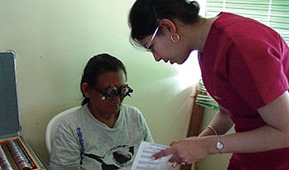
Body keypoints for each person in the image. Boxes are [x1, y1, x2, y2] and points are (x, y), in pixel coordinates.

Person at [128, 0, 289, 169]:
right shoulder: (206, 50)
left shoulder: (239, 46)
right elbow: (226, 114)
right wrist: (195, 144)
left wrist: (207, 146)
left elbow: (285, 132)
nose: (157, 57)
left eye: (152, 47)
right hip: (250, 158)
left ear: (169, 27)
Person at [49, 53, 154, 170]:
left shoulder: (134, 116)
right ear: (87, 90)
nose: (117, 99)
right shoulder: (71, 128)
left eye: (122, 91)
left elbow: (151, 160)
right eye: (110, 92)